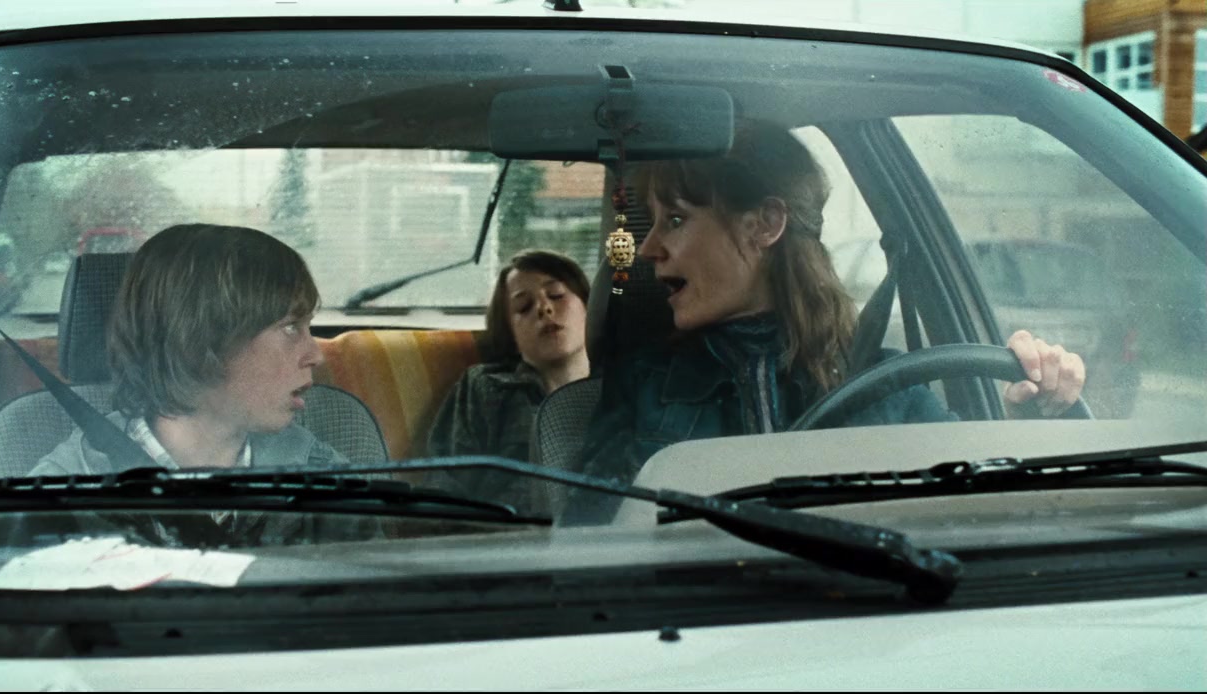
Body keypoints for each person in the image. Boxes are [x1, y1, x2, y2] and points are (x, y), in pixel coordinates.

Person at [561, 122, 1086, 525]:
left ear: (765, 224)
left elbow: (981, 515)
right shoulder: (640, 388)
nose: (649, 248)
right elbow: (586, 545)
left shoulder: (889, 386)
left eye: (674, 219)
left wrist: (1029, 412)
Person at [30, 223, 373, 545]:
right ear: (199, 342)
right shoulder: (62, 494)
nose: (316, 355)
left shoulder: (321, 476)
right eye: (289, 327)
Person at [425, 248, 591, 511]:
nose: (544, 308)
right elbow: (447, 486)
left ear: (588, 307)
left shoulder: (625, 387)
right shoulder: (487, 388)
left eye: (557, 294)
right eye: (524, 307)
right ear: (511, 334)